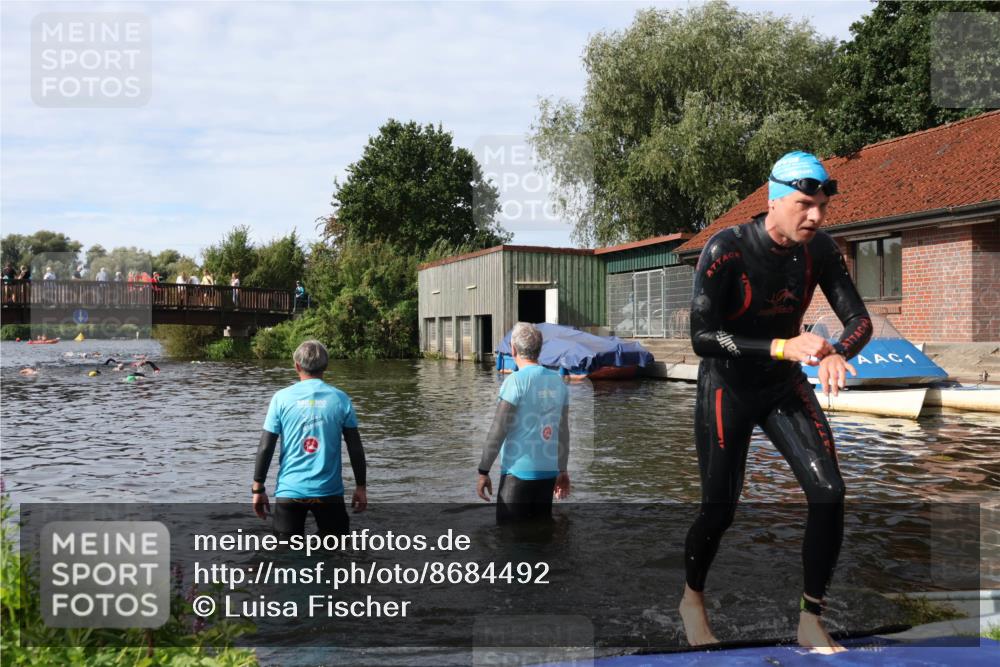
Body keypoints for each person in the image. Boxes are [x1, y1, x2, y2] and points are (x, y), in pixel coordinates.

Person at [680, 151, 873, 654]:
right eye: (805, 204)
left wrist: (836, 352)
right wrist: (783, 347)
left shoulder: (821, 251)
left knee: (830, 491)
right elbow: (702, 336)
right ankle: (692, 600)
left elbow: (861, 321)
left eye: (822, 207)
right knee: (720, 510)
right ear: (775, 200)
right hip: (726, 385)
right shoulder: (726, 249)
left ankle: (811, 619)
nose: (816, 217)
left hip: (783, 386)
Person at [252, 340, 367, 538]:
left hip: (291, 491)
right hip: (329, 492)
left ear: (297, 366)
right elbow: (355, 448)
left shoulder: (281, 398)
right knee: (336, 555)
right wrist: (361, 487)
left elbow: (266, 447)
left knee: (285, 555)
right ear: (326, 366)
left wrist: (258, 489)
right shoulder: (341, 399)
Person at [477, 322, 570, 524]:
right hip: (548, 474)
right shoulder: (558, 382)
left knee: (508, 541)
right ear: (539, 349)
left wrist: (483, 471)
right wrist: (562, 470)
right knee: (540, 538)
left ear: (512, 349)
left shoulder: (515, 381)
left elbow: (498, 430)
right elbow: (563, 432)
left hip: (518, 475)